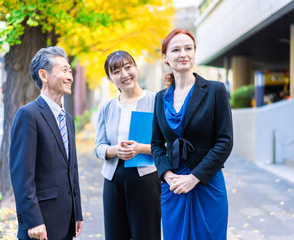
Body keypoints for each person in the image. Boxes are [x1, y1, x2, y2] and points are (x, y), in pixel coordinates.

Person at [151, 29, 233, 240]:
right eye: (176, 49)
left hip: (206, 182)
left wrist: (195, 178)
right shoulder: (160, 98)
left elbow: (225, 141)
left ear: (195, 53)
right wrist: (167, 175)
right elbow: (157, 144)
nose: (183, 54)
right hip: (174, 185)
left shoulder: (215, 90)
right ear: (165, 57)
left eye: (188, 48)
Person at [10, 46, 83, 240]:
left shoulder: (67, 119)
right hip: (40, 223)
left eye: (70, 71)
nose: (70, 76)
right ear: (44, 75)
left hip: (66, 221)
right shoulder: (28, 115)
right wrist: (32, 220)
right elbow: (22, 176)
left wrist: (78, 212)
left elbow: (72, 169)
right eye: (64, 70)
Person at [95, 50, 161, 240]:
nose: (124, 74)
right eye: (116, 72)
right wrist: (114, 150)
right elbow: (98, 146)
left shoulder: (155, 101)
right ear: (109, 78)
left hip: (145, 178)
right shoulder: (107, 107)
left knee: (147, 235)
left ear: (135, 67)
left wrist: (140, 148)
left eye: (127, 67)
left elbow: (166, 144)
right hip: (113, 179)